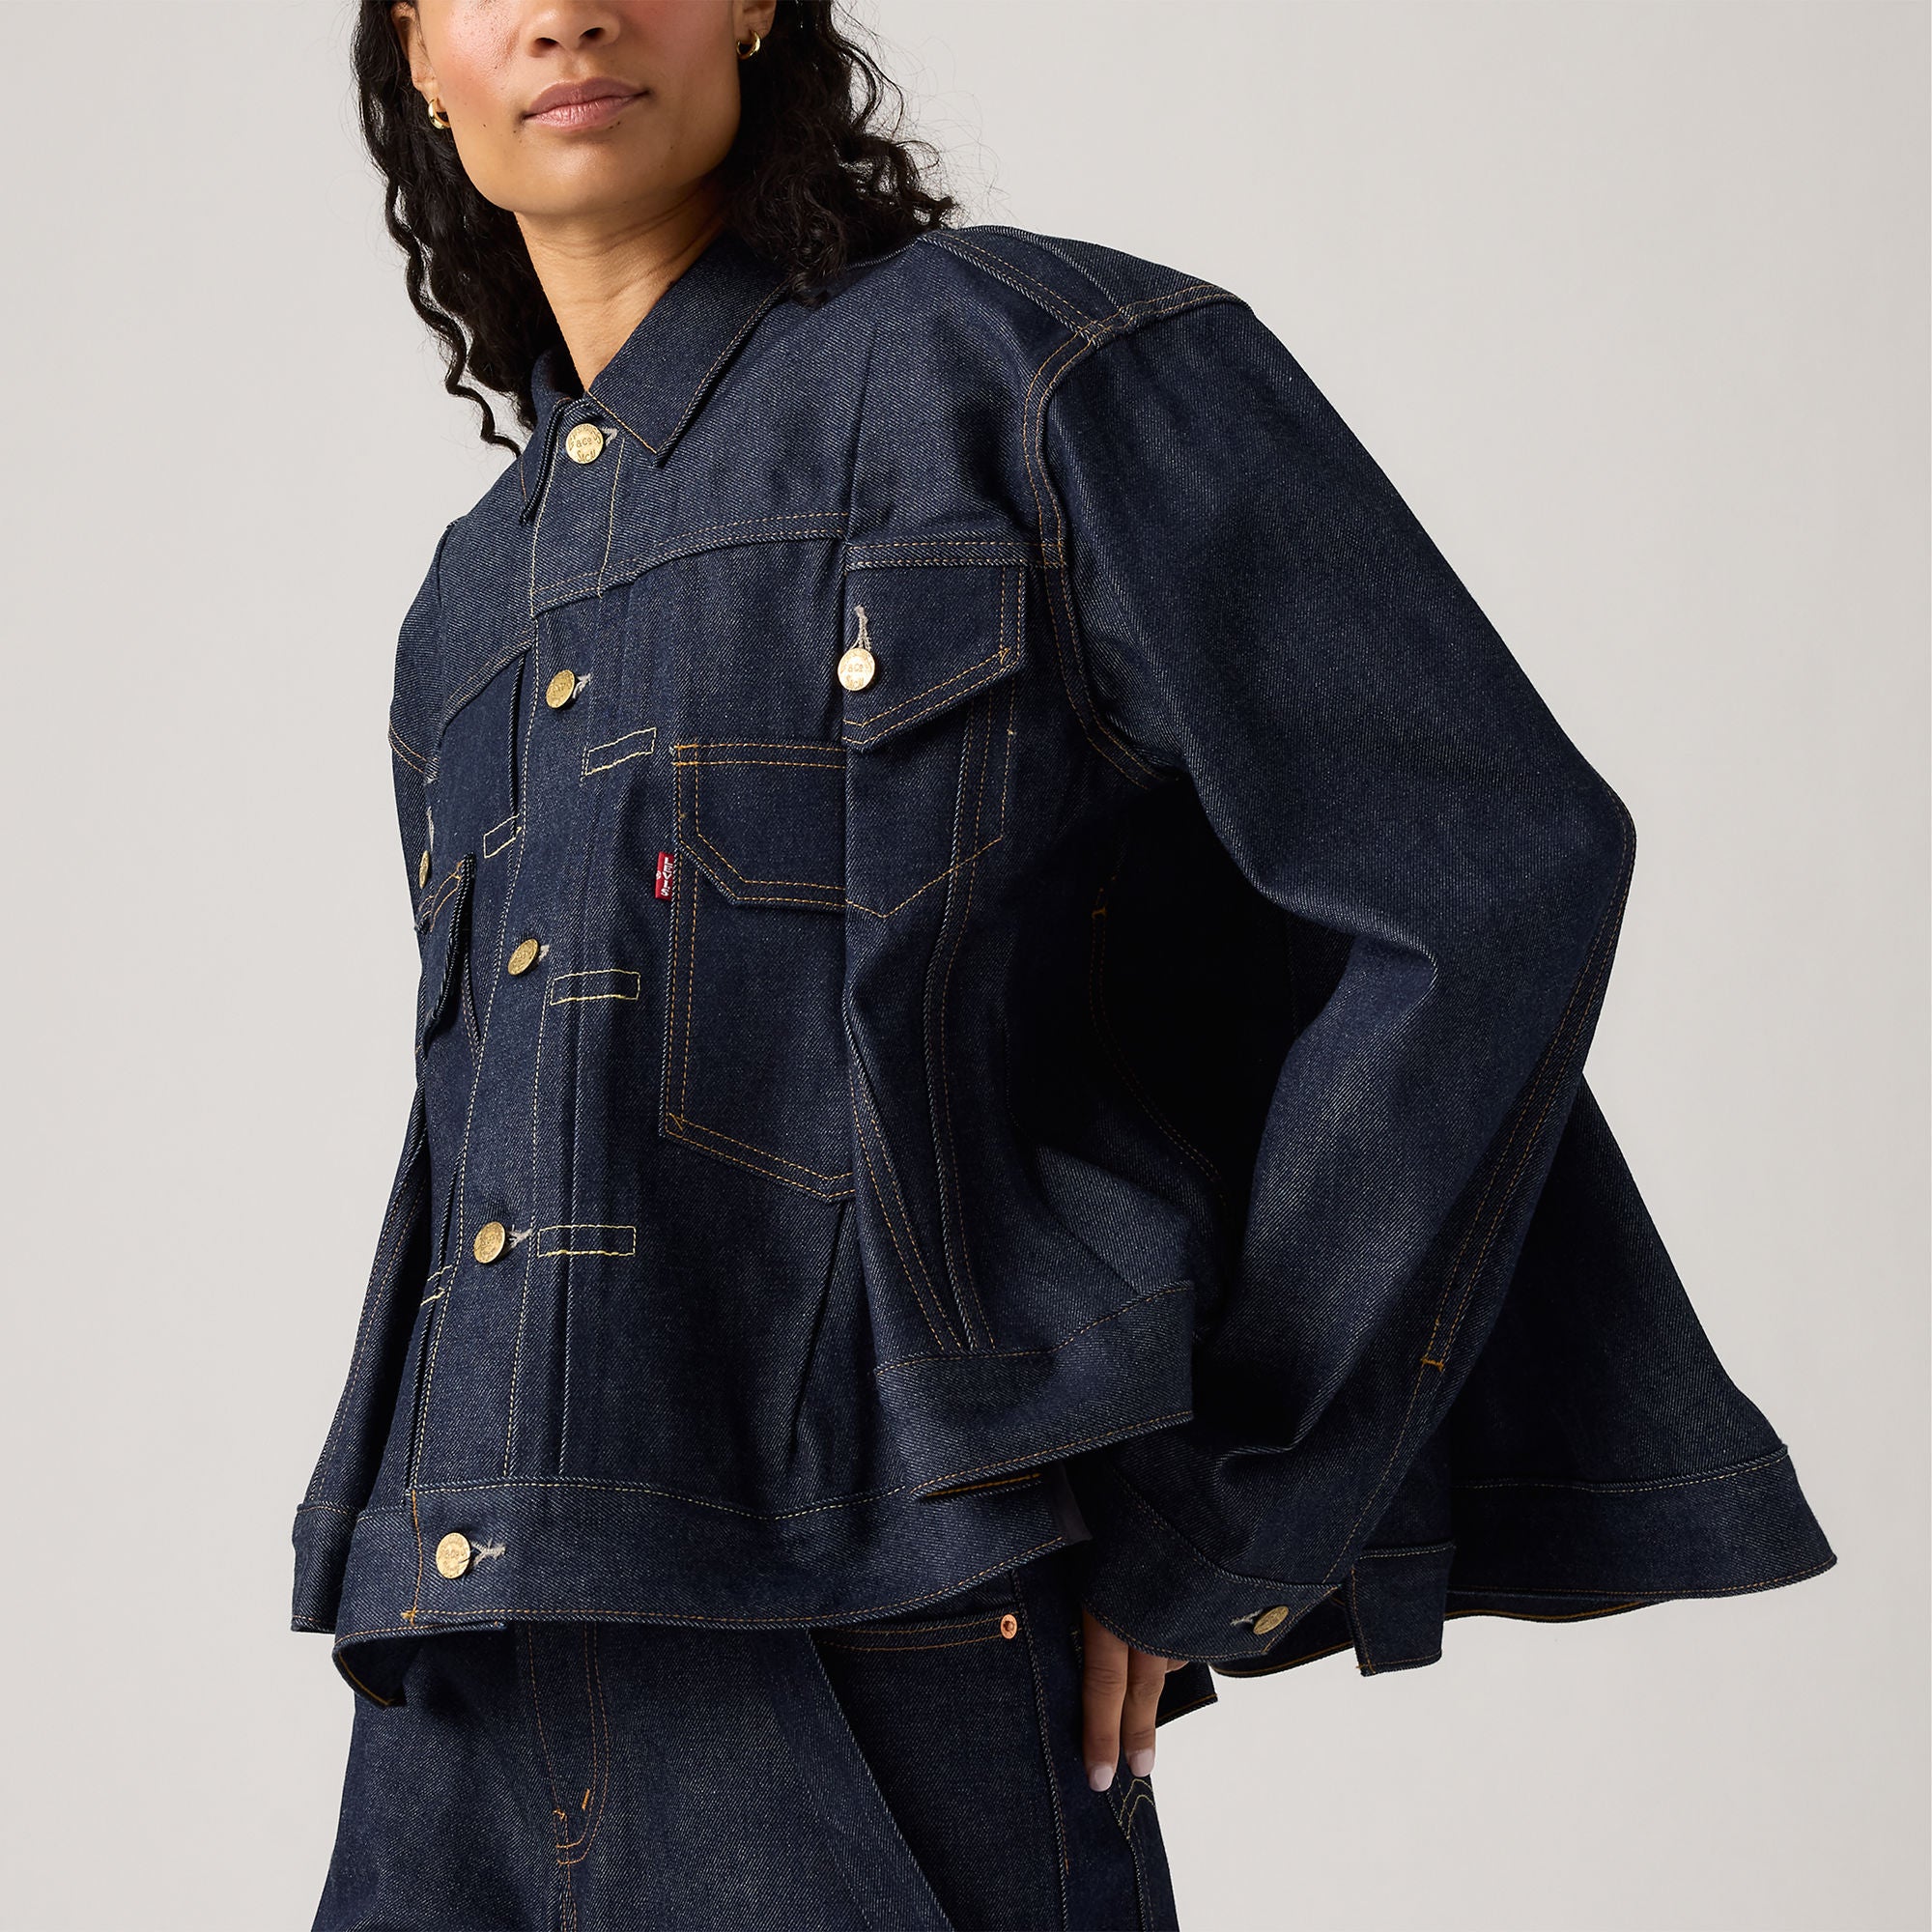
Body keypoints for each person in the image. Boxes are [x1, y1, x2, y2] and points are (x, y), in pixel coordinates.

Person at [293, 3, 1836, 1926]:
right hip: (459, 1678)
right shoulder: (470, 602)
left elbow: (1486, 873)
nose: (568, 10)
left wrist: (1227, 1506)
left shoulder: (1021, 370)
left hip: (886, 1646)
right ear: (418, 52)